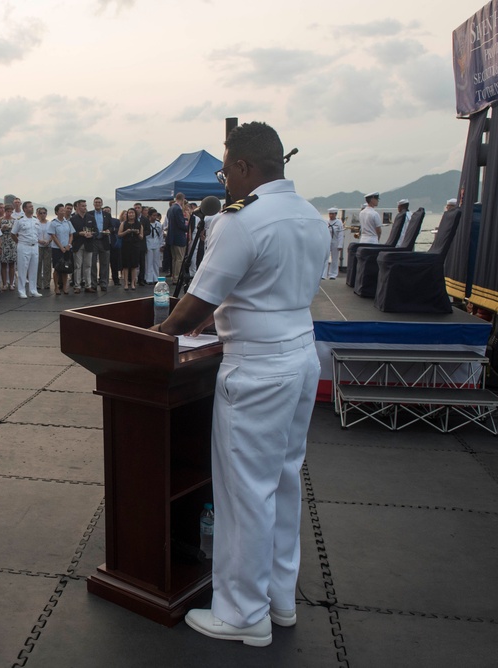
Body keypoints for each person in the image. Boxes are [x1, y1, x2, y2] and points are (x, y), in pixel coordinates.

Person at [152, 122, 329, 647]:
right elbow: (267, 288)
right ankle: (278, 598)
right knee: (282, 481)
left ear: (246, 168)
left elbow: (191, 310)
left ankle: (240, 613)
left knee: (243, 491)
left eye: (226, 168)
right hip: (301, 357)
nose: (223, 178)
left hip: (257, 368)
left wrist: (153, 338)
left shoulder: (242, 221)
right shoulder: (311, 216)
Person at [11, 201, 43, 298]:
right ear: (24, 209)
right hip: (23, 245)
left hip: (34, 246)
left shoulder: (36, 220)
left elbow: (37, 234)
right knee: (22, 269)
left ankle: (33, 290)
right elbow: (13, 234)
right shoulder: (20, 220)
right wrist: (19, 242)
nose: (31, 208)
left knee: (34, 269)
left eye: (32, 207)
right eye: (29, 207)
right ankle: (22, 290)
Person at [70, 199, 96, 294]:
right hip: (78, 245)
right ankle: (77, 285)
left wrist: (91, 234)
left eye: (85, 205)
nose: (84, 207)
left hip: (88, 244)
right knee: (77, 266)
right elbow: (71, 233)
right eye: (82, 206)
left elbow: (96, 231)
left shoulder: (91, 217)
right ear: (77, 207)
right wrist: (79, 233)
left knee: (88, 265)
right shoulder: (73, 219)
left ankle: (88, 285)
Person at [49, 204, 73, 295]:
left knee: (65, 268)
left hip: (67, 248)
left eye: (64, 210)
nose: (63, 212)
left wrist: (69, 245)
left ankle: (64, 286)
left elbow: (71, 235)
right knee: (57, 268)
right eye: (61, 210)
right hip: (57, 249)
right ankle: (56, 287)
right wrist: (60, 247)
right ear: (56, 212)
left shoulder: (68, 222)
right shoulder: (53, 223)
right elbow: (53, 236)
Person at [118, 207, 144, 290]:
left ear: (135, 214)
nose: (131, 214)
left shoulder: (139, 224)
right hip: (126, 246)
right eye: (129, 213)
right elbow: (119, 234)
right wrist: (127, 231)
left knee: (134, 266)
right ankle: (126, 283)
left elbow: (141, 237)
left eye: (132, 213)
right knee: (125, 266)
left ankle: (133, 283)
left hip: (135, 246)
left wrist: (137, 233)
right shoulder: (123, 223)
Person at [90, 197, 112, 291]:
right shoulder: (89, 214)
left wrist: (108, 230)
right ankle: (93, 283)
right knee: (92, 263)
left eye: (99, 202)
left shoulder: (107, 214)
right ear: (93, 204)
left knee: (105, 263)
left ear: (102, 204)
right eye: (96, 202)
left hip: (104, 240)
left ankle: (104, 283)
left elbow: (111, 226)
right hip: (93, 241)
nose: (98, 204)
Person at [165, 192, 188, 283]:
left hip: (171, 237)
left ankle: (174, 276)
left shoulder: (170, 209)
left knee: (174, 258)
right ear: (182, 200)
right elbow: (180, 224)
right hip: (179, 237)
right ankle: (177, 277)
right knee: (179, 259)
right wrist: (188, 228)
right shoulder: (178, 209)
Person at [0, 204, 17, 290]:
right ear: (5, 211)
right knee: (3, 264)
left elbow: (17, 232)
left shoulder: (15, 220)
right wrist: (2, 229)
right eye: (7, 211)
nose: (9, 213)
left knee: (12, 264)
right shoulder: (0, 220)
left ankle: (11, 283)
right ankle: (4, 283)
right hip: (3, 242)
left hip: (12, 242)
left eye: (10, 211)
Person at [145, 209, 164, 284]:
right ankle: (149, 278)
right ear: (149, 216)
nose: (155, 217)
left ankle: (156, 277)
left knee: (156, 262)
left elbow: (161, 235)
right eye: (153, 215)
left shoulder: (158, 224)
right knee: (149, 262)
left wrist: (161, 244)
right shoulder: (146, 224)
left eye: (156, 215)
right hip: (148, 243)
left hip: (156, 244)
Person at [323, 208, 344, 279]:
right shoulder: (326, 222)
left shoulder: (339, 222)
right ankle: (323, 274)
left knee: (334, 259)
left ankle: (333, 274)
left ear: (335, 214)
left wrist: (340, 244)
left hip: (335, 241)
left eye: (332, 214)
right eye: (330, 214)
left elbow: (341, 234)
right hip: (327, 241)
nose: (331, 215)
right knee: (325, 258)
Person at [35, 206, 52, 291]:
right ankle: (37, 283)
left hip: (48, 246)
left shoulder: (50, 223)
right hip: (38, 246)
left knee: (47, 265)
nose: (42, 215)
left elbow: (53, 234)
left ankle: (46, 283)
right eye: (40, 213)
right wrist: (39, 241)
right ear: (37, 214)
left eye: (44, 213)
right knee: (38, 265)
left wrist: (49, 241)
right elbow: (33, 234)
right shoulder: (35, 223)